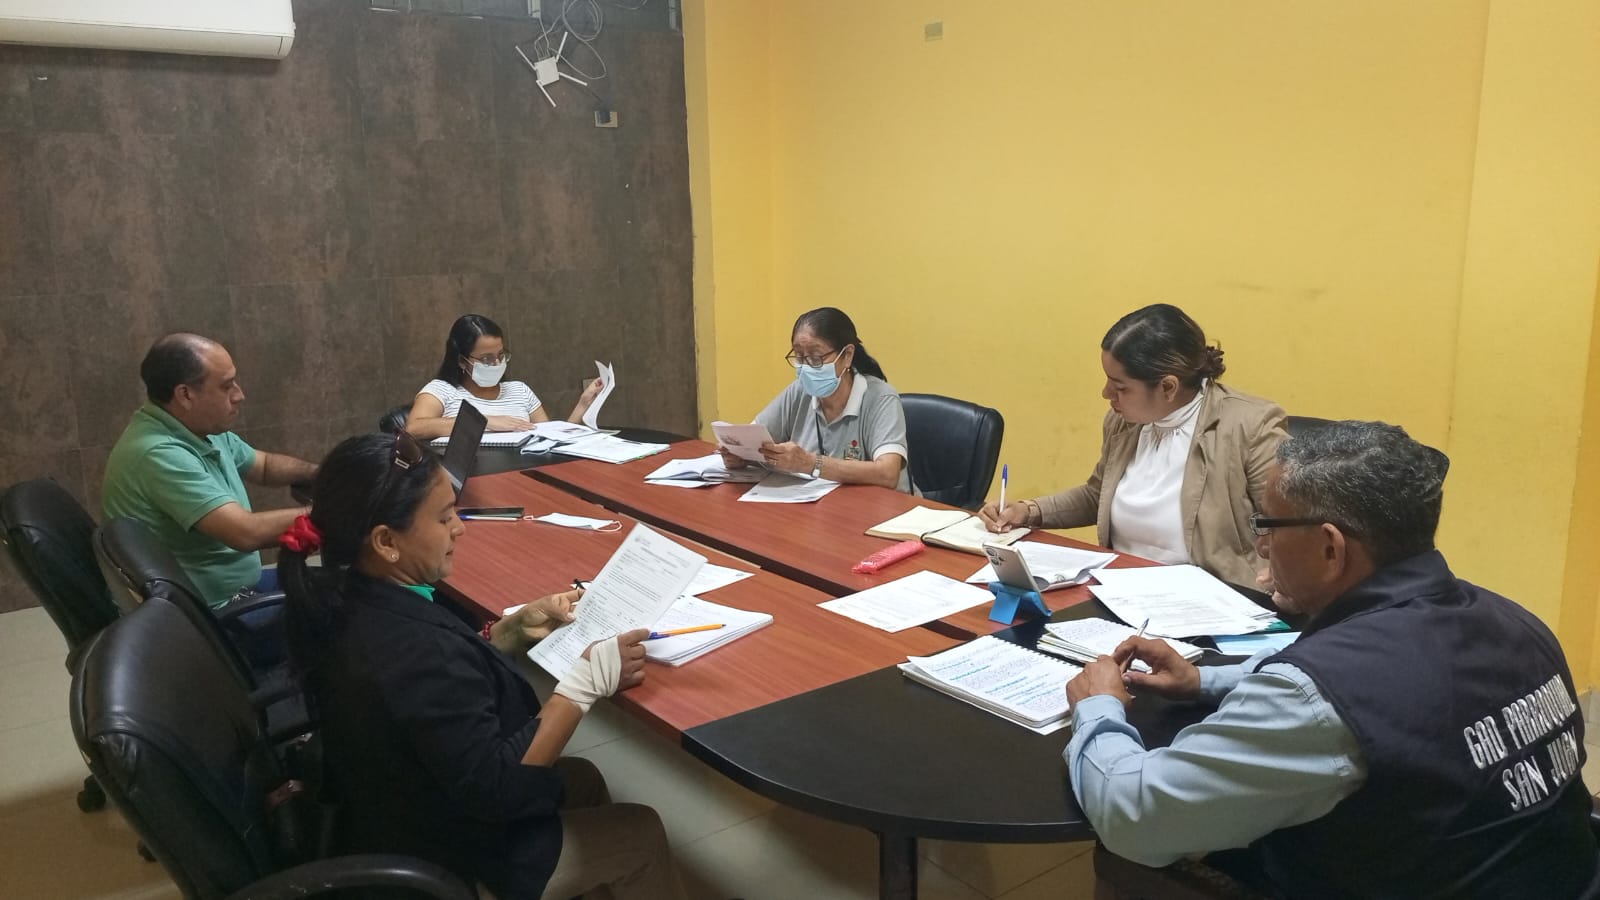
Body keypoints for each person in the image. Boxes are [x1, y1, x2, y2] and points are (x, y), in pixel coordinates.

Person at [1065, 421, 1600, 899]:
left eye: (1267, 525)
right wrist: (1203, 680)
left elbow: (1134, 817)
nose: (1261, 546)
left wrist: (1099, 707)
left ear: (1330, 549)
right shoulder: (1515, 621)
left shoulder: (1317, 697)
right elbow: (1374, 682)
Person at [279, 433, 685, 900]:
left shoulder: (345, 597)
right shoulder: (413, 650)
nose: (460, 529)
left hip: (397, 802)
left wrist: (509, 633)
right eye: (444, 517)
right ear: (387, 541)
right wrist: (582, 685)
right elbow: (498, 786)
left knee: (584, 779)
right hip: (447, 856)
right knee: (641, 831)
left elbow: (431, 696)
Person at [977, 303, 1285, 587]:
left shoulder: (1250, 426)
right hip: (1120, 588)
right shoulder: (1124, 422)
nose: (1106, 393)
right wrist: (1028, 511)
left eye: (1120, 387)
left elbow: (1288, 522)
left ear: (1168, 387)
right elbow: (1098, 495)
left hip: (1211, 599)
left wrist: (1283, 578)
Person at [102, 333, 319, 608]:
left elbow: (263, 466)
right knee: (343, 611)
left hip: (237, 593)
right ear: (185, 395)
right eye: (227, 386)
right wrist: (337, 511)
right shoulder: (159, 454)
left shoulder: (196, 427)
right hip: (208, 615)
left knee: (341, 589)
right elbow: (245, 533)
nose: (239, 395)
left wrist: (324, 473)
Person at [720, 307, 911, 491]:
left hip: (883, 508)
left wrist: (810, 463)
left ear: (847, 355)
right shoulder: (799, 391)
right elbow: (754, 440)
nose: (806, 367)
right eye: (800, 357)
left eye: (816, 357)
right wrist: (740, 454)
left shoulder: (881, 397)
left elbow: (887, 473)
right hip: (820, 503)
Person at [405, 314, 603, 438]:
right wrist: (483, 422)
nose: (497, 363)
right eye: (486, 359)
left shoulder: (520, 390)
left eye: (501, 355)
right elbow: (414, 428)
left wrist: (583, 405)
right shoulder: (441, 390)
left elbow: (550, 440)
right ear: (462, 361)